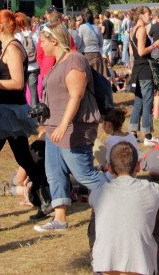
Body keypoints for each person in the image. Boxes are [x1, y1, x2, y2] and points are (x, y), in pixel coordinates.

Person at [0, 10, 49, 224]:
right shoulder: (8, 47)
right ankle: (44, 198)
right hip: (7, 110)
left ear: (2, 26)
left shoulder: (13, 48)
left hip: (8, 112)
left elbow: (17, 83)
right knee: (21, 158)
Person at [34, 21, 106, 232]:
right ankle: (60, 219)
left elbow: (76, 95)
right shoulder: (58, 62)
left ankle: (117, 198)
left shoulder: (74, 59)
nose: (41, 46)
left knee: (83, 174)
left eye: (43, 41)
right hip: (54, 128)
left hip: (74, 128)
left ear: (54, 41)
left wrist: (64, 125)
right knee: (54, 173)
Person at [88, 141, 159, 275]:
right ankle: (148, 256)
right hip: (141, 266)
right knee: (155, 210)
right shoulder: (153, 189)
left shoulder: (99, 191)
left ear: (109, 168)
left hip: (104, 266)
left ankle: (102, 255)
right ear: (138, 166)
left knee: (96, 212)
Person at [130, 6, 159, 144]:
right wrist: (155, 44)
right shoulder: (142, 30)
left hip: (137, 69)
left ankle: (133, 133)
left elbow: (133, 53)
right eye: (148, 14)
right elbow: (142, 51)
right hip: (144, 70)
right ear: (141, 16)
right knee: (147, 101)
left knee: (138, 101)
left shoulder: (132, 30)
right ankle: (148, 136)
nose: (150, 17)